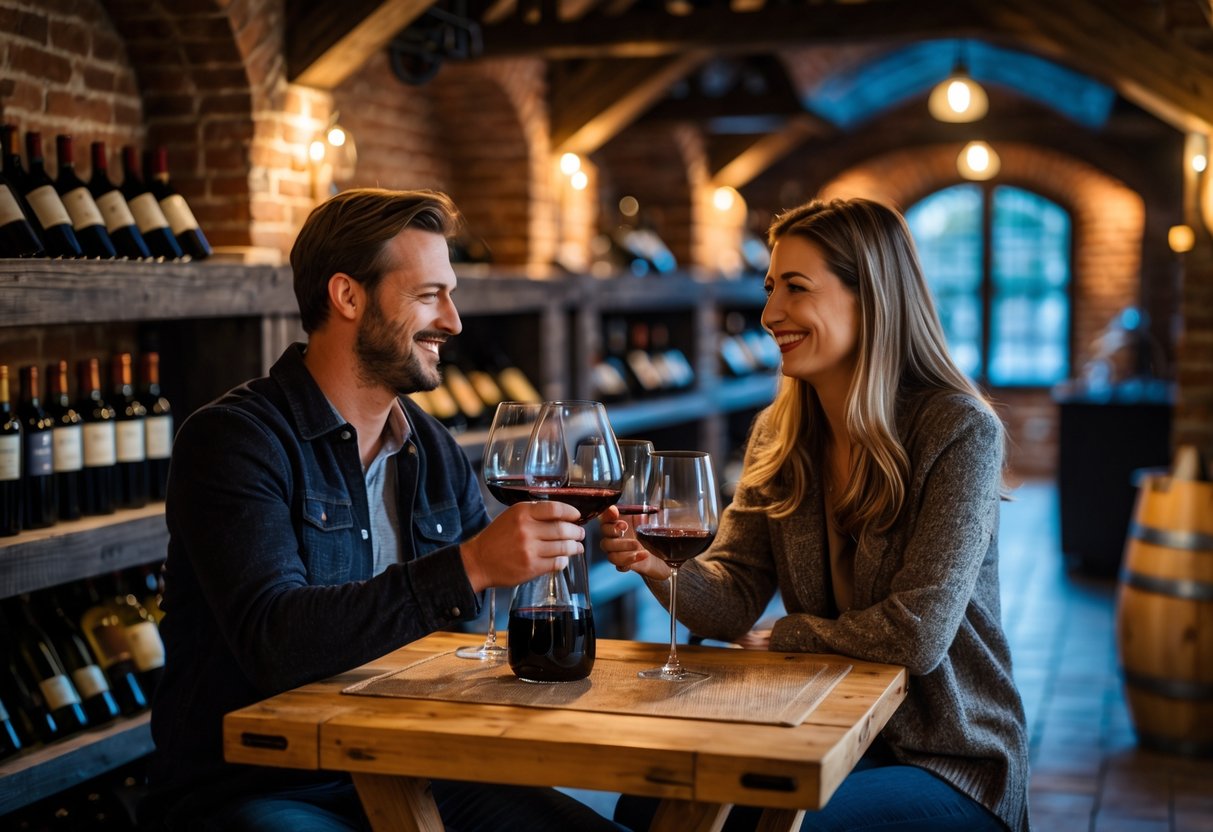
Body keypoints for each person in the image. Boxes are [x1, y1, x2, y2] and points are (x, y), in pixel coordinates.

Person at [142, 188, 622, 832]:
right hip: (262, 786)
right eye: (429, 295)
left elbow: (474, 636)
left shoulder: (431, 448)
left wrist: (551, 562)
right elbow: (275, 642)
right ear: (347, 297)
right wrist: (474, 564)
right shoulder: (235, 440)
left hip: (418, 768)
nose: (453, 321)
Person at [601, 197, 1030, 832]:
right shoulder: (781, 433)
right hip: (826, 726)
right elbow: (732, 597)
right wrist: (654, 566)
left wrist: (789, 635)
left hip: (950, 757)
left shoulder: (958, 430)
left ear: (872, 298)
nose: (770, 314)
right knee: (650, 802)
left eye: (796, 289)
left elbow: (918, 635)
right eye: (770, 287)